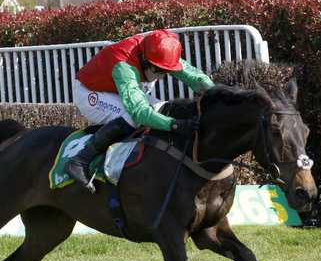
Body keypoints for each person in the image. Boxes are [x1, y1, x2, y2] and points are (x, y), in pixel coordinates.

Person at [66, 29, 214, 192]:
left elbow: (195, 77)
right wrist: (175, 125)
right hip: (90, 92)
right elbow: (140, 113)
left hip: (115, 86)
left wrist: (218, 94)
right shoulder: (125, 66)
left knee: (162, 110)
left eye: (166, 71)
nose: (161, 76)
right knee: (133, 117)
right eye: (159, 70)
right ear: (145, 59)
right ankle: (80, 160)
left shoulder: (161, 50)